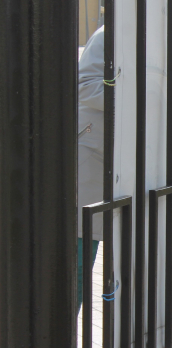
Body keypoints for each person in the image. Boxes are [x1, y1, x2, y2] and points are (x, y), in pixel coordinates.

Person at [77, 25, 106, 315]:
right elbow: (86, 86)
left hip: (141, 164)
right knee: (81, 257)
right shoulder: (108, 34)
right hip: (96, 157)